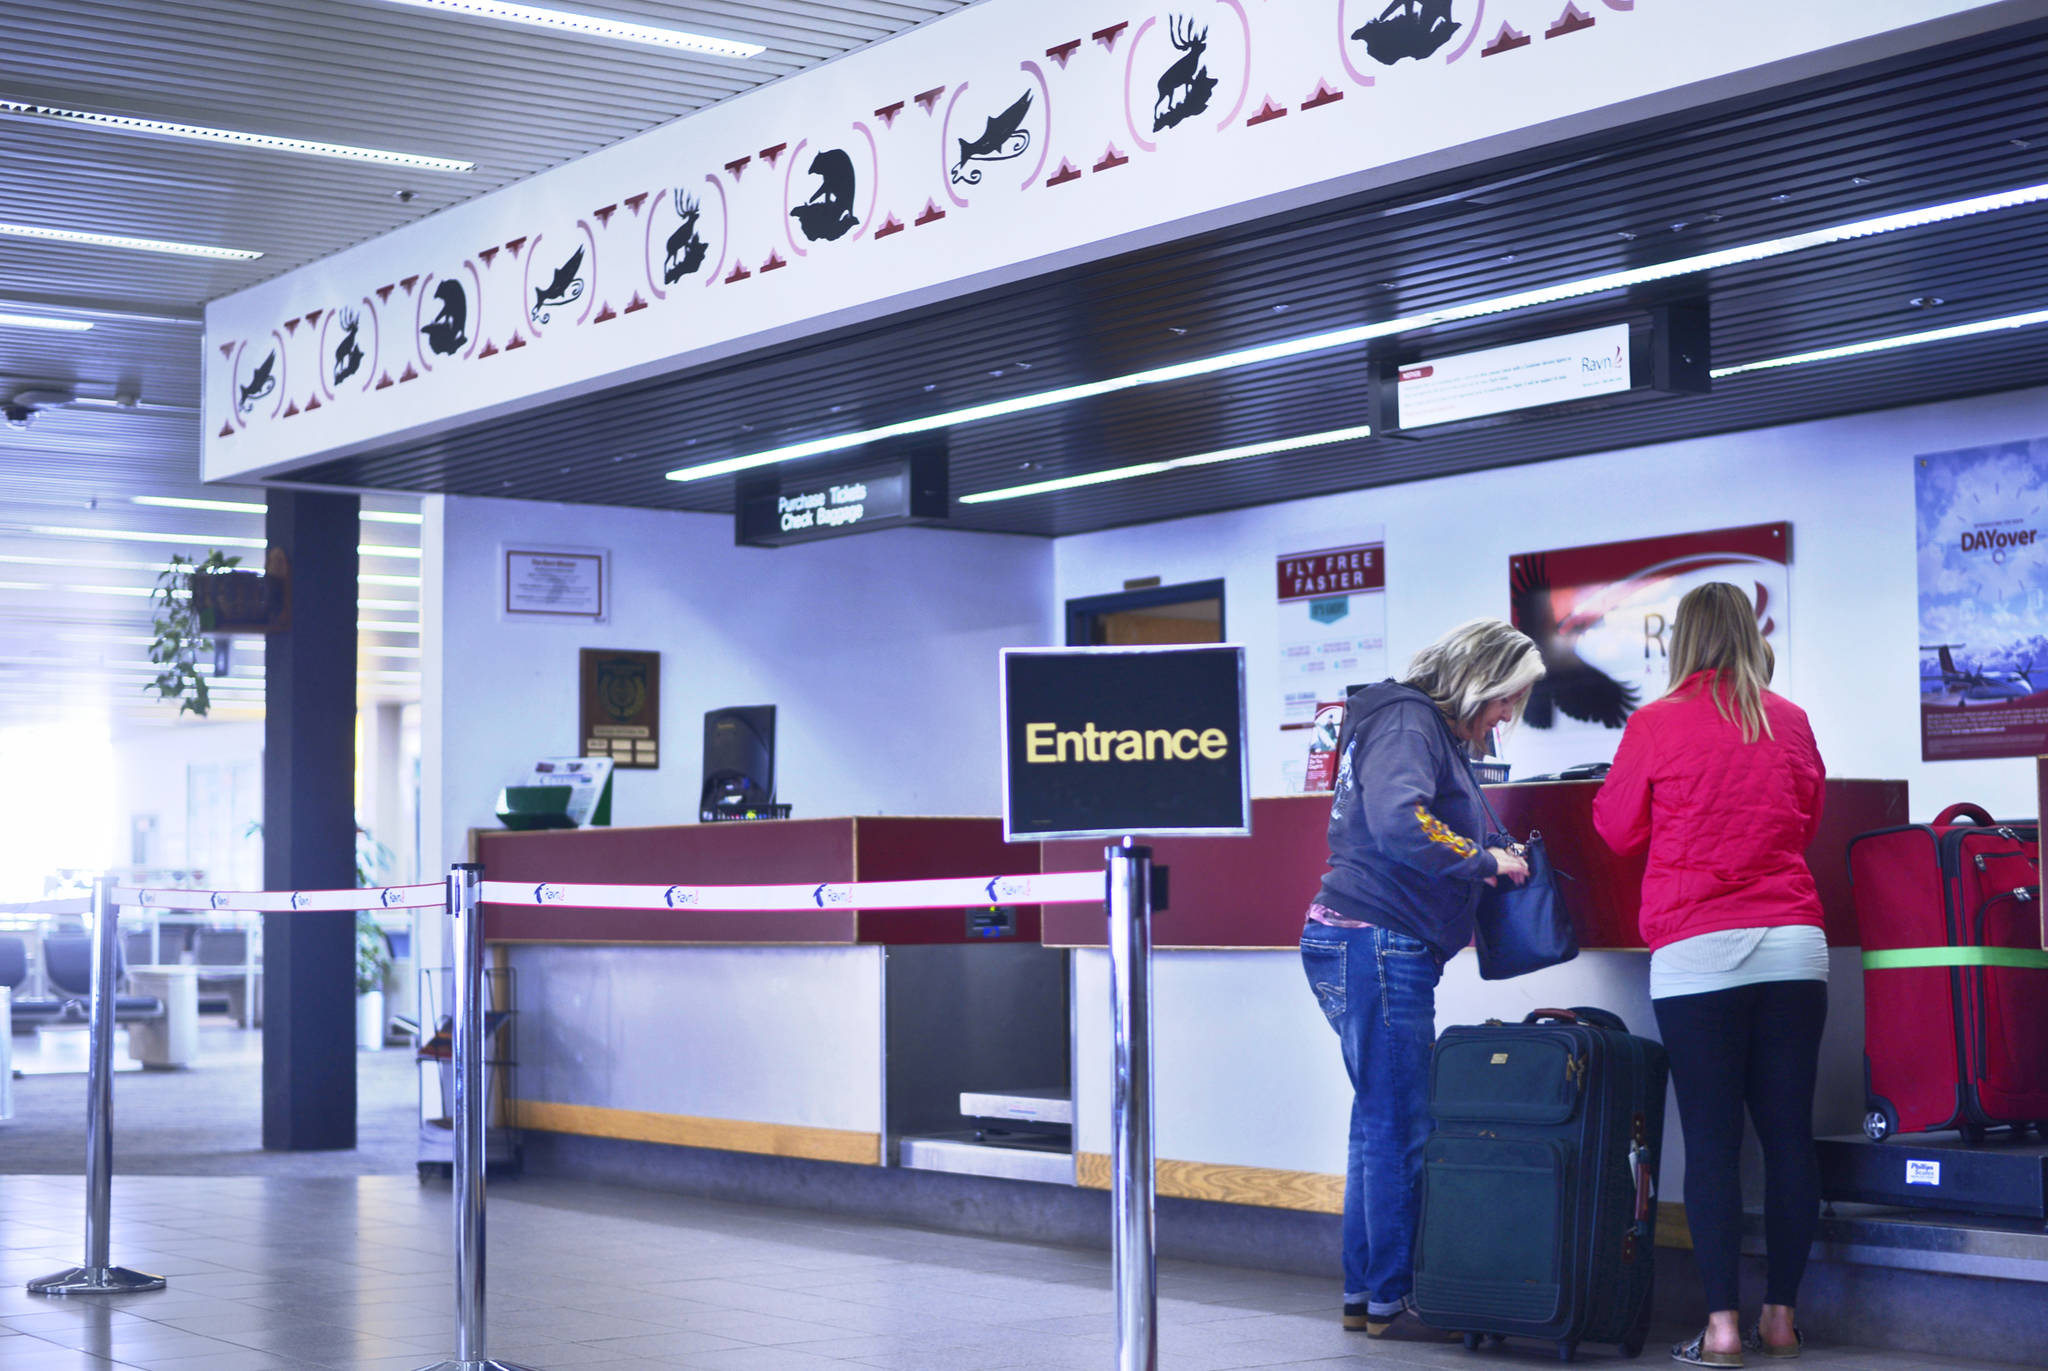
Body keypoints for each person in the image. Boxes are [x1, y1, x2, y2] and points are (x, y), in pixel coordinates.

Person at [1592, 583, 1826, 1368]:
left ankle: (1723, 1329)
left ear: (1682, 641)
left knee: (1714, 1144)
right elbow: (1807, 815)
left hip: (1698, 953)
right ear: (1752, 637)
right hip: (1794, 946)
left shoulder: (1655, 724)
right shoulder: (1787, 719)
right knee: (1789, 1136)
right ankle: (1783, 1319)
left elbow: (1616, 829)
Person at [1299, 618, 1543, 1338]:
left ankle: (1366, 1294)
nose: (1505, 717)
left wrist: (1486, 846)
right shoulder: (1408, 719)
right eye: (1506, 700)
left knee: (1376, 1118)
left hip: (1361, 936)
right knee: (1401, 1122)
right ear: (1479, 679)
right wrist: (1482, 862)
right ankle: (1394, 1297)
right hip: (1379, 937)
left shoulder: (1416, 725)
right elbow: (1401, 819)